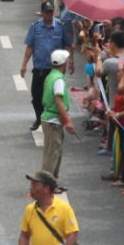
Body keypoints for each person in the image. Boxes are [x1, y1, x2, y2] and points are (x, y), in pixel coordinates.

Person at [21, 1, 73, 131]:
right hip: (39, 68)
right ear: (42, 12)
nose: (49, 14)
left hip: (55, 70)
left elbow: (67, 45)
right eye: (47, 12)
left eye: (51, 11)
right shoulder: (35, 27)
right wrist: (24, 65)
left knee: (55, 96)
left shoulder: (61, 27)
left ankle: (55, 120)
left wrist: (70, 61)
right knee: (36, 97)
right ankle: (40, 118)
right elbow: (30, 47)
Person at [41, 49, 75, 177]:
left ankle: (52, 183)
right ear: (64, 63)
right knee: (52, 154)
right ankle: (46, 184)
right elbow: (58, 102)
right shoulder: (59, 79)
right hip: (53, 121)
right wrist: (68, 121)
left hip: (51, 120)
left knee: (55, 153)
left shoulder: (52, 75)